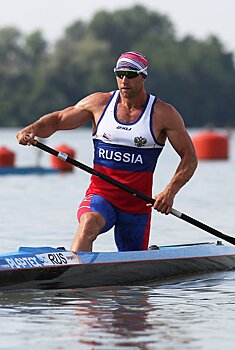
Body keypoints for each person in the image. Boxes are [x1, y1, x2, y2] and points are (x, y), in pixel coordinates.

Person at [17, 51, 197, 252]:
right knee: (89, 223)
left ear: (143, 76)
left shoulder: (163, 114)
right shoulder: (99, 104)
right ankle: (74, 275)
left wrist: (169, 192)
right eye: (119, 74)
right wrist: (32, 129)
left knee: (133, 263)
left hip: (137, 206)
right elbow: (58, 120)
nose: (124, 80)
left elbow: (189, 158)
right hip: (101, 196)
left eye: (130, 74)